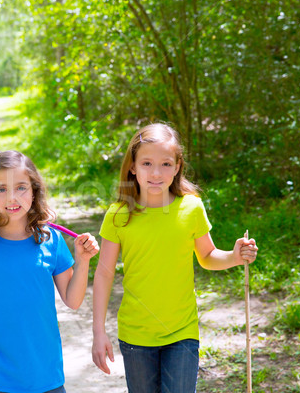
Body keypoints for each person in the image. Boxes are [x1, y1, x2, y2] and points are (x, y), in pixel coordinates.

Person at [91, 123, 259, 393]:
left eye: (166, 164)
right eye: (147, 163)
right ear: (133, 166)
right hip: (136, 334)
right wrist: (98, 332)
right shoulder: (118, 214)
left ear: (178, 165)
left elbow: (207, 255)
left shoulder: (191, 207)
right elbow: (103, 274)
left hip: (182, 332)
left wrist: (234, 255)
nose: (156, 173)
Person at [0, 150, 100, 393]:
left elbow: (73, 301)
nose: (12, 197)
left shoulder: (51, 240)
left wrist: (82, 260)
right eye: (1, 189)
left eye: (21, 187)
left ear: (34, 191)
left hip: (45, 374)